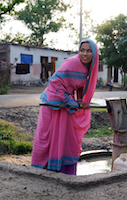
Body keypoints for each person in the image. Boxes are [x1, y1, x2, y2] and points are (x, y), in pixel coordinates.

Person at [31, 39, 99, 175]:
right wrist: (70, 101)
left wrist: (79, 100)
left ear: (95, 54)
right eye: (82, 50)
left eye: (89, 51)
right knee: (46, 137)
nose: (84, 54)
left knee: (65, 136)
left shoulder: (88, 68)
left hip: (64, 102)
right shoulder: (73, 62)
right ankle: (40, 171)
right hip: (52, 103)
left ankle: (63, 171)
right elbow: (55, 82)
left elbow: (80, 85)